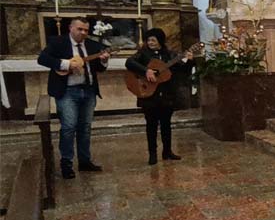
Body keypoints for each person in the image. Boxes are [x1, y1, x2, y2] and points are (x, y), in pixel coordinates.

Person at [37, 17, 109, 179]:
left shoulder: (92, 45)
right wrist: (66, 64)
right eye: (79, 29)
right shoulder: (58, 42)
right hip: (67, 91)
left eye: (86, 30)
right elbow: (42, 59)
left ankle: (84, 161)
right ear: (71, 28)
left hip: (88, 90)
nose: (83, 33)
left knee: (85, 127)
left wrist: (104, 61)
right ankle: (66, 163)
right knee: (69, 126)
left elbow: (99, 68)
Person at [125, 28, 194, 165]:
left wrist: (190, 61)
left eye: (153, 40)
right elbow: (129, 62)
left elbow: (182, 71)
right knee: (151, 125)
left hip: (167, 94)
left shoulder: (170, 55)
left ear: (160, 41)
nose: (150, 42)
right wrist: (146, 71)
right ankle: (152, 154)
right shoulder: (143, 54)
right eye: (148, 40)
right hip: (149, 95)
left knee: (166, 124)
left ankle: (167, 152)